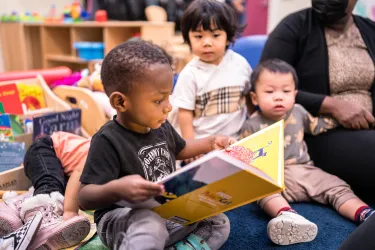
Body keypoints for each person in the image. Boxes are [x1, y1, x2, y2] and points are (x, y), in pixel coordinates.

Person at [78, 40, 234, 250]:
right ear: (121, 102)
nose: (168, 107)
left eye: (168, 97)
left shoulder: (160, 126)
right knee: (151, 225)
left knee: (217, 221)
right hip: (122, 220)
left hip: (164, 212)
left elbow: (181, 149)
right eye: (159, 100)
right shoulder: (107, 140)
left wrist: (210, 142)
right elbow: (85, 197)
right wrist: (118, 189)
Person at [240, 59, 374, 246]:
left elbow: (317, 126)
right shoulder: (251, 125)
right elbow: (245, 157)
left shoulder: (298, 112)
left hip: (304, 170)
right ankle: (288, 216)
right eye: (270, 92)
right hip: (274, 176)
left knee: (337, 186)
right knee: (262, 191)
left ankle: (365, 214)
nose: (279, 97)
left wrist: (338, 120)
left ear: (294, 94)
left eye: (285, 91)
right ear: (254, 98)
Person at [260, 0, 375, 197]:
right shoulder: (293, 27)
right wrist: (331, 106)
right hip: (314, 133)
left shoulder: (369, 30)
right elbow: (265, 89)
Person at [172, 0, 251, 164]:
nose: (206, 42)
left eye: (215, 35)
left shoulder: (240, 64)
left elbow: (248, 97)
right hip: (203, 146)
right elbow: (185, 112)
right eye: (198, 36)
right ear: (188, 39)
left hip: (236, 142)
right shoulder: (190, 73)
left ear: (228, 37)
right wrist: (190, 145)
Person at [0, 132, 91, 249]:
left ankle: (13, 207)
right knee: (50, 183)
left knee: (58, 190)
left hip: (62, 169)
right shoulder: (103, 149)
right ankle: (40, 221)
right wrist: (70, 212)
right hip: (46, 149)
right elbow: (78, 175)